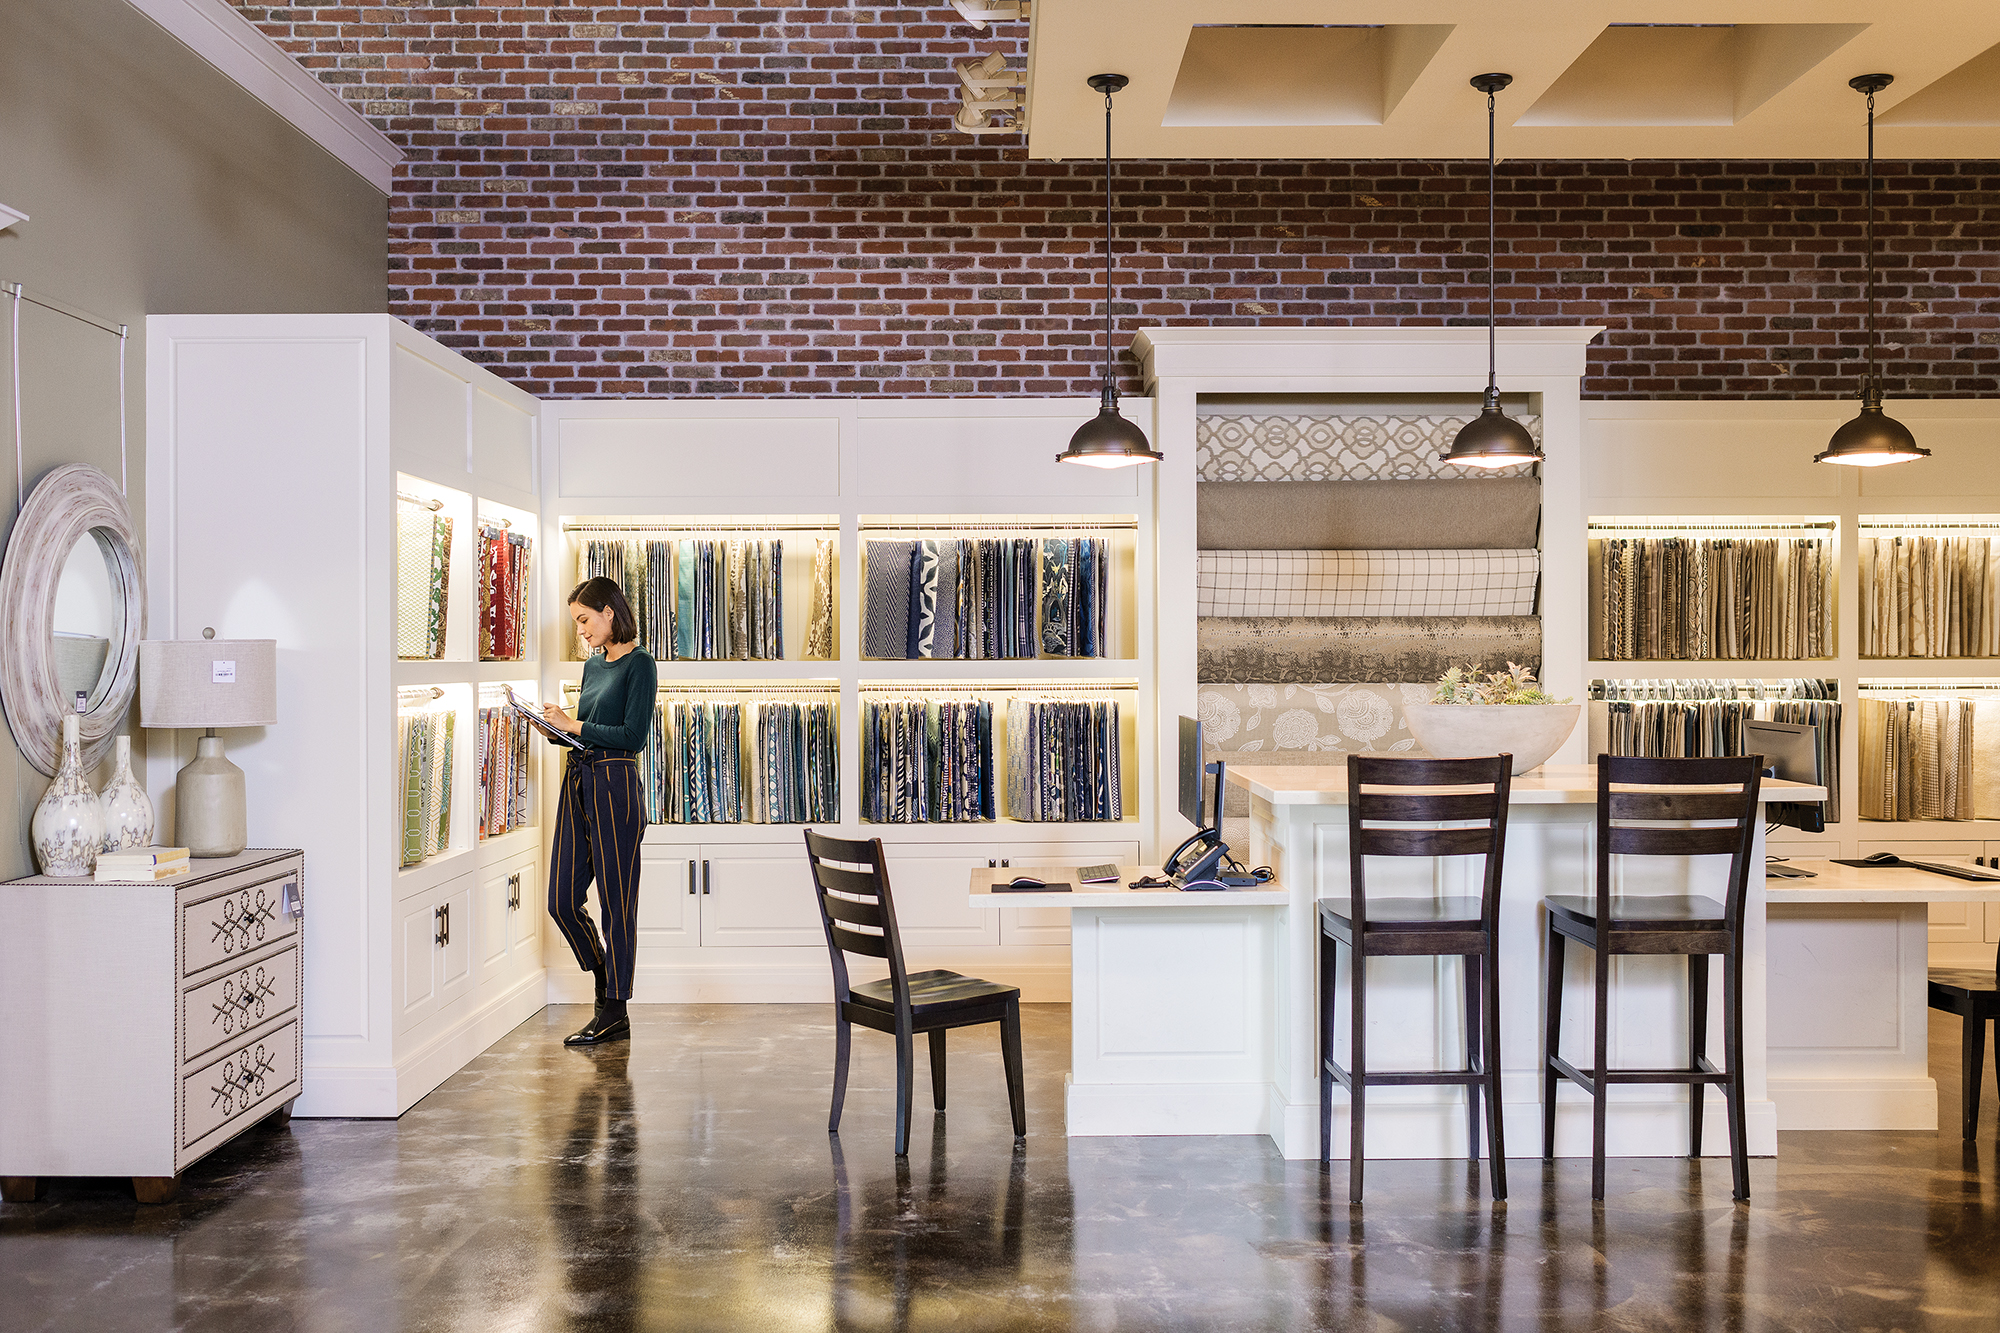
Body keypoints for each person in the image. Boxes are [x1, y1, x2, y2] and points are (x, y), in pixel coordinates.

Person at [541, 576, 657, 1046]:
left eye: (585, 620)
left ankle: (615, 1008)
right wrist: (557, 728)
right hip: (578, 780)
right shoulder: (593, 667)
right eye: (577, 623)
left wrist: (577, 724)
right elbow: (587, 728)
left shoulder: (640, 664)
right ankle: (607, 974)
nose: (582, 631)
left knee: (617, 901)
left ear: (610, 612)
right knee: (561, 899)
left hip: (614, 784)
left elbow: (632, 736)